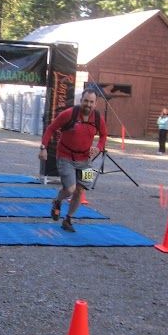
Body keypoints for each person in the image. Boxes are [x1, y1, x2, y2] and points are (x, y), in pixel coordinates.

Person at [38, 88, 107, 233]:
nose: (88, 104)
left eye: (91, 102)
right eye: (86, 101)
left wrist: (98, 148)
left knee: (81, 190)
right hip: (65, 157)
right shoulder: (69, 114)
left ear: (95, 103)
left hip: (86, 160)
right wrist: (43, 148)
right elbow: (50, 129)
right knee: (70, 189)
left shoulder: (98, 118)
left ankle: (68, 219)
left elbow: (103, 136)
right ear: (81, 100)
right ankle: (57, 201)